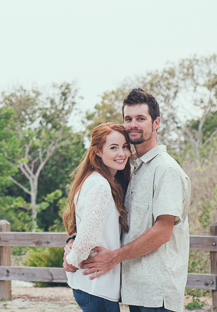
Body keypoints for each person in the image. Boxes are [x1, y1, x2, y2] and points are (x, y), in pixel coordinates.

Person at [76, 88, 192, 312]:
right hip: (135, 291)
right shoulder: (130, 169)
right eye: (128, 119)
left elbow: (163, 231)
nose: (133, 124)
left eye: (141, 118)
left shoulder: (166, 170)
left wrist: (114, 258)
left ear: (156, 122)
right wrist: (74, 242)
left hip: (158, 294)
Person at [61, 122, 132, 312]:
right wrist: (72, 260)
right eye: (113, 147)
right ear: (98, 151)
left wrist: (72, 248)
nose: (122, 153)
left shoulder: (96, 180)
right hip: (96, 286)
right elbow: (89, 235)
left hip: (93, 285)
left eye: (125, 146)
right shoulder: (100, 185)